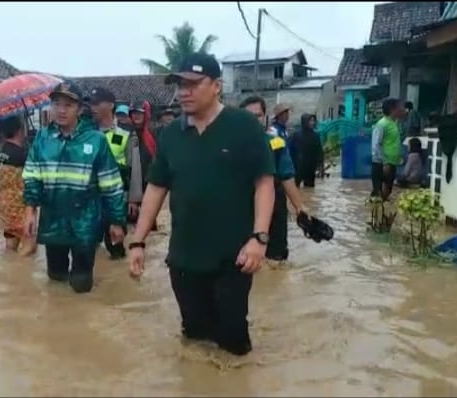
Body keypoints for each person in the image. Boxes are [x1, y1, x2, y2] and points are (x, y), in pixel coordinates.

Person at [128, 53, 276, 356]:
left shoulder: (244, 126)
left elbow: (264, 183)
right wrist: (138, 241)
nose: (184, 91)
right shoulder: (170, 135)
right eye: (180, 85)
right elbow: (156, 188)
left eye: (193, 84)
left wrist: (259, 238)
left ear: (217, 86)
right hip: (184, 259)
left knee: (234, 345)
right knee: (194, 341)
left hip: (234, 258)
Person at [22, 81, 126, 294]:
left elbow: (111, 183)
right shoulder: (42, 138)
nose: (61, 110)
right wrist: (30, 210)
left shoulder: (96, 140)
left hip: (85, 223)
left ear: (80, 109)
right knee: (56, 280)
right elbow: (32, 175)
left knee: (81, 284)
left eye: (68, 105)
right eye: (56, 104)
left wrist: (117, 221)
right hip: (53, 221)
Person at [239, 95, 308, 266]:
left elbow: (287, 177)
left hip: (274, 202)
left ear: (264, 117)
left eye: (258, 115)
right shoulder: (229, 145)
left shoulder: (276, 143)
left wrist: (300, 206)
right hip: (241, 205)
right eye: (248, 116)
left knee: (276, 259)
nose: (254, 120)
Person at [90, 87, 130, 260]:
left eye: (97, 103)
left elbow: (133, 168)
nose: (93, 107)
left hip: (114, 198)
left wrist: (133, 199)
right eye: (91, 103)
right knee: (88, 247)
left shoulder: (124, 134)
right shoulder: (86, 133)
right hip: (89, 199)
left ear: (111, 105)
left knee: (115, 248)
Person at [0, 115, 36, 256]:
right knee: (30, 246)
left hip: (5, 207)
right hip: (20, 207)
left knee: (11, 245)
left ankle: (9, 272)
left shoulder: (1, 153)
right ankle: (20, 274)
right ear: (20, 130)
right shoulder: (22, 155)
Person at [126, 101, 158, 228]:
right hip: (130, 183)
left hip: (148, 182)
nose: (136, 116)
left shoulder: (152, 134)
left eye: (139, 113)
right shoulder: (125, 133)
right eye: (134, 113)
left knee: (148, 223)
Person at [371, 98, 404, 201]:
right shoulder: (382, 124)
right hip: (382, 163)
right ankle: (375, 213)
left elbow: (392, 143)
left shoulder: (394, 123)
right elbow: (376, 144)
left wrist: (398, 158)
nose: (402, 109)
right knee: (379, 193)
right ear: (392, 110)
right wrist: (384, 162)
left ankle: (381, 213)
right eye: (399, 107)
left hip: (391, 163)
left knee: (388, 191)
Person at [291, 114, 324, 188]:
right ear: (305, 122)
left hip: (310, 168)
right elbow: (291, 150)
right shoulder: (296, 135)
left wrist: (320, 165)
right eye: (310, 121)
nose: (312, 122)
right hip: (298, 167)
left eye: (313, 121)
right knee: (295, 188)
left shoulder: (315, 136)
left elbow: (319, 151)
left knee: (310, 189)